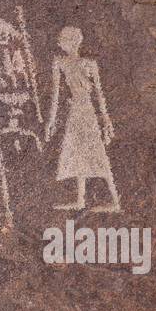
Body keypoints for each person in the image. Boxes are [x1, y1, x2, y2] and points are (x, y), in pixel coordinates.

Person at [44, 26, 119, 212]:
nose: (60, 43)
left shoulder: (86, 64)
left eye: (63, 40)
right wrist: (51, 121)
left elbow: (100, 96)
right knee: (78, 151)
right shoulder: (60, 62)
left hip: (86, 112)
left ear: (71, 42)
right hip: (78, 111)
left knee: (95, 151)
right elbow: (56, 95)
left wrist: (106, 120)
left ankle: (116, 201)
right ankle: (81, 200)